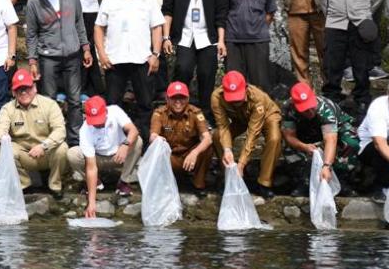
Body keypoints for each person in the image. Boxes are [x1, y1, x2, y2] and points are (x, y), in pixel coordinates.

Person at [94, 0, 165, 134]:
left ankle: (143, 144)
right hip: (115, 59)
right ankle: (113, 142)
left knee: (145, 104)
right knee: (112, 105)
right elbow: (98, 27)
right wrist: (101, 54)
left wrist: (156, 54)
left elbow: (156, 27)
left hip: (141, 59)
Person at [26, 0, 92, 147]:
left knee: (74, 99)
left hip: (72, 53)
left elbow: (79, 22)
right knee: (48, 99)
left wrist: (85, 48)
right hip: (48, 55)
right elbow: (31, 34)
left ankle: (75, 139)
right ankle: (52, 137)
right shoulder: (34, 2)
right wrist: (32, 61)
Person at [162, 0, 229, 124]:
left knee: (207, 74)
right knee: (182, 70)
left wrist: (221, 40)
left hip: (207, 37)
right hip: (184, 35)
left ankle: (205, 116)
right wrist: (166, 37)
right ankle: (177, 113)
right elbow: (167, 10)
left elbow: (221, 13)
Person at [319, 0, 377, 116]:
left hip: (360, 21)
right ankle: (333, 98)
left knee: (361, 63)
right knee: (332, 63)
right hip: (335, 22)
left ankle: (361, 98)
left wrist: (367, 11)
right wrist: (331, 13)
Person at [0, 69, 68, 198]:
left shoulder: (50, 105)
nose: (23, 92)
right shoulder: (7, 109)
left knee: (62, 148)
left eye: (27, 88)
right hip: (23, 153)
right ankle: (24, 186)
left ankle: (55, 185)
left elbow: (60, 130)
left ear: (34, 88)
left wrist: (44, 146)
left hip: (45, 151)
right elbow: (0, 130)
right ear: (13, 92)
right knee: (2, 150)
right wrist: (4, 137)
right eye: (19, 89)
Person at [281, 82, 360, 197]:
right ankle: (304, 181)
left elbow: (330, 139)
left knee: (351, 142)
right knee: (286, 146)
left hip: (336, 132)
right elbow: (289, 136)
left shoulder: (325, 109)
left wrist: (326, 166)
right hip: (306, 134)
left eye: (311, 107)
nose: (310, 112)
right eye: (305, 110)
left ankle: (342, 179)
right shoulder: (288, 107)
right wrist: (303, 146)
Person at [212, 70, 281, 199]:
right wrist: (227, 149)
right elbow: (223, 126)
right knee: (217, 136)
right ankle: (229, 176)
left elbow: (253, 133)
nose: (236, 102)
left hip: (267, 116)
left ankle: (264, 183)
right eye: (232, 99)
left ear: (245, 88)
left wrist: (242, 163)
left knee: (274, 139)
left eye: (238, 98)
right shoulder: (216, 97)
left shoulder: (258, 98)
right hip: (240, 118)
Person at [69, 96, 141, 213]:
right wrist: (92, 203)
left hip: (119, 155)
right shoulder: (85, 130)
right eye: (94, 120)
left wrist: (126, 144)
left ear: (106, 112)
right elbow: (91, 167)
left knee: (138, 142)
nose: (97, 124)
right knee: (72, 154)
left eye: (100, 119)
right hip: (98, 159)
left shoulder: (115, 110)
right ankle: (95, 183)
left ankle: (123, 181)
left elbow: (134, 130)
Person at [224, 0, 276, 92]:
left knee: (260, 82)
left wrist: (257, 27)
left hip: (258, 40)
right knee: (234, 82)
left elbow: (270, 12)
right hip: (233, 40)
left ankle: (262, 112)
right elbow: (224, 11)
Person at [149, 81, 213, 196]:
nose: (178, 102)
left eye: (182, 98)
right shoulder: (159, 114)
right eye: (174, 98)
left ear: (188, 99)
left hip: (189, 156)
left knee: (207, 147)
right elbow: (153, 136)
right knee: (155, 148)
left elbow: (207, 138)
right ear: (167, 99)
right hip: (170, 157)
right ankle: (163, 184)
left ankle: (199, 184)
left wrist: (194, 152)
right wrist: (157, 139)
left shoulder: (196, 113)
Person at [357, 88, 389, 203]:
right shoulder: (379, 107)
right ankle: (379, 187)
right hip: (369, 147)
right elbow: (379, 143)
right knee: (382, 149)